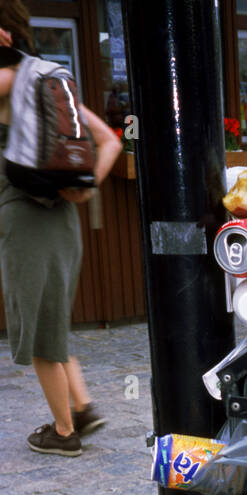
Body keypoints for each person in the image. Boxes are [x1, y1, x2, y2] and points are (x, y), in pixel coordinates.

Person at [0, 3, 121, 457]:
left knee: (37, 336)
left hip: (27, 217)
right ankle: (84, 407)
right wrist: (87, 189)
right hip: (61, 219)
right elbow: (108, 139)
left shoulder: (11, 82)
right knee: (52, 322)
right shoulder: (39, 78)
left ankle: (64, 432)